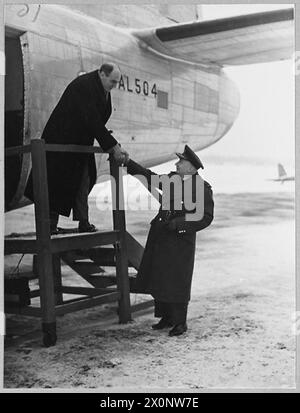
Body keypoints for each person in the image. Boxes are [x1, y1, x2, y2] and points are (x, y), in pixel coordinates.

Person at [25, 62, 128, 234]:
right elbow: (92, 119)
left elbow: (95, 120)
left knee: (84, 180)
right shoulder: (85, 86)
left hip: (80, 144)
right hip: (62, 143)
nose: (114, 86)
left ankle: (83, 222)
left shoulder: (102, 89)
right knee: (56, 184)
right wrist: (112, 145)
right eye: (113, 81)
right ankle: (50, 226)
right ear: (102, 73)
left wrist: (108, 140)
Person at [125, 145, 214, 336]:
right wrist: (128, 163)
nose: (177, 164)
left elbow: (205, 216)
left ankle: (180, 323)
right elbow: (150, 177)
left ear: (191, 168)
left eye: (181, 162)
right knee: (160, 277)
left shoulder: (201, 188)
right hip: (162, 236)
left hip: (180, 241)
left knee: (177, 280)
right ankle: (166, 318)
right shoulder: (174, 179)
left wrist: (179, 224)